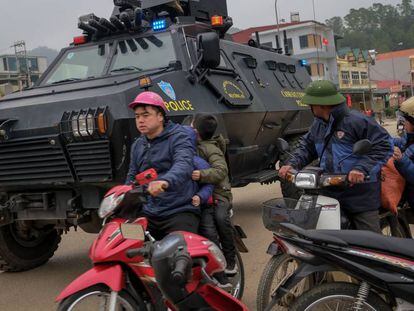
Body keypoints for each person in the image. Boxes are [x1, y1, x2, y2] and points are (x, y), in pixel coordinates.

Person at [279, 80, 393, 233]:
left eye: (311, 104)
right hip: (330, 189)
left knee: (370, 242)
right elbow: (306, 147)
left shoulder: (357, 121)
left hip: (361, 193)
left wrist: (361, 169)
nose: (309, 107)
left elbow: (384, 145)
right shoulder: (318, 124)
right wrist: (292, 164)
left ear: (322, 105)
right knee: (325, 236)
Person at [125, 91, 199, 240]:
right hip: (148, 212)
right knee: (125, 246)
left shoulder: (178, 137)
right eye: (137, 116)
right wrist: (122, 194)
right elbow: (132, 176)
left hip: (178, 210)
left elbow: (183, 164)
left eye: (146, 115)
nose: (140, 120)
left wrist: (165, 181)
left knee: (178, 254)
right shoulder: (138, 145)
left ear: (160, 116)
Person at [192, 114, 237, 275]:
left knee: (219, 218)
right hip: (201, 193)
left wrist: (201, 174)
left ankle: (230, 260)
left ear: (196, 130)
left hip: (219, 193)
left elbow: (221, 170)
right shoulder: (191, 145)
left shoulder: (211, 148)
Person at [393, 97, 414, 208]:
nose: (403, 122)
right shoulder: (408, 139)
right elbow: (397, 142)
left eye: (406, 119)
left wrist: (401, 160)